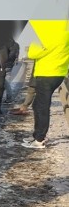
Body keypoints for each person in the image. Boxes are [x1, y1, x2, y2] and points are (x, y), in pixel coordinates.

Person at [22, 20, 69, 148]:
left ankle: (39, 139)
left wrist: (33, 42)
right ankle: (37, 135)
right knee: (38, 105)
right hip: (58, 73)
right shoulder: (65, 32)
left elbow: (33, 53)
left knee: (41, 107)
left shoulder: (49, 34)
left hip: (47, 74)